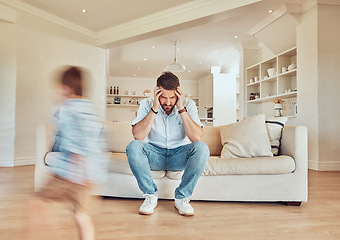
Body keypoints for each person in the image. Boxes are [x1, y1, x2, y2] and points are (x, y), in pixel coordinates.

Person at [27, 66, 108, 240]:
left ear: (66, 88)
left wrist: (79, 170)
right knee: (81, 215)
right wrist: (93, 174)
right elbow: (98, 142)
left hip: (72, 173)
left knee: (38, 202)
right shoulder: (90, 109)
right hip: (91, 176)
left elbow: (76, 141)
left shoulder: (66, 109)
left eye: (57, 88)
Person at [126, 71, 210, 216]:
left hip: (178, 155)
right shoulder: (147, 104)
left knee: (202, 148)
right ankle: (151, 196)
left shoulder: (189, 104)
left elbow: (196, 137)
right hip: (155, 155)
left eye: (172, 97)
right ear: (157, 93)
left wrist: (181, 108)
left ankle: (182, 198)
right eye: (164, 97)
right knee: (133, 146)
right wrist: (155, 107)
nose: (168, 102)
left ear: (178, 93)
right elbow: (138, 136)